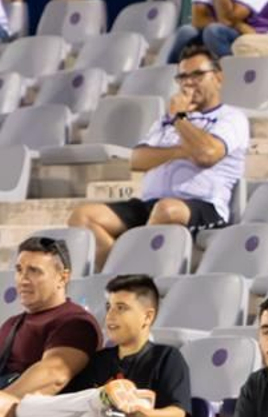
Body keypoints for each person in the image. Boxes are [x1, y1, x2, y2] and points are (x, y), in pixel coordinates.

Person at [69, 45, 247, 269]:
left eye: (198, 75)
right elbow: (137, 160)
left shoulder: (231, 118)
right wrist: (183, 149)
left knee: (167, 210)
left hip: (203, 206)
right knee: (83, 216)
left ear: (218, 77)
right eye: (183, 77)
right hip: (151, 205)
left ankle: (129, 274)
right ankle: (118, 276)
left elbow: (206, 155)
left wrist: (180, 119)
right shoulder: (166, 120)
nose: (189, 82)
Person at [14, 274, 188, 417]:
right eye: (108, 307)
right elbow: (69, 408)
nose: (110, 316)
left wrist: (141, 415)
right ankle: (102, 397)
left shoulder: (166, 356)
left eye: (121, 308)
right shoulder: (99, 360)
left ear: (147, 317)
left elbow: (177, 415)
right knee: (25, 409)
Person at [0, 237, 100, 417]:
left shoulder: (77, 322)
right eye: (19, 270)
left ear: (62, 277)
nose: (23, 280)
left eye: (34, 271)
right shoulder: (12, 324)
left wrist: (4, 396)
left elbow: (54, 375)